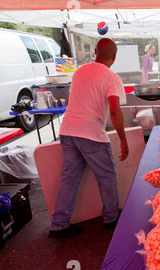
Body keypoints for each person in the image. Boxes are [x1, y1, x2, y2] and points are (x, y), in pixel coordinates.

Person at [49, 38, 129, 238]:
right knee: (107, 177)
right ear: (115, 56)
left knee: (69, 178)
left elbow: (70, 101)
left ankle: (58, 224)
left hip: (67, 130)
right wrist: (123, 140)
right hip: (91, 133)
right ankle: (111, 219)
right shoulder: (112, 78)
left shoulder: (79, 72)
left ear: (95, 52)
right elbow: (115, 111)